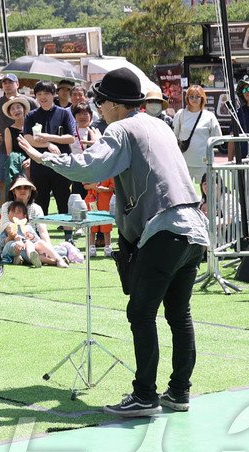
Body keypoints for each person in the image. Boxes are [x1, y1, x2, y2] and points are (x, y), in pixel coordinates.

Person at [17, 66, 209, 417]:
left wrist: (44, 157)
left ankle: (145, 395)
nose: (99, 109)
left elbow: (90, 167)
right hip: (195, 228)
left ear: (114, 104)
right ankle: (179, 391)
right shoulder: (160, 124)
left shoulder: (121, 128)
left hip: (164, 228)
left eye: (101, 102)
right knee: (179, 314)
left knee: (141, 311)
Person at [23, 81, 81, 214]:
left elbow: (71, 138)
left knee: (63, 198)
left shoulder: (64, 113)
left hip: (61, 163)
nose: (43, 97)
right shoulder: (31, 115)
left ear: (53, 95)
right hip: (39, 163)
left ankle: (68, 232)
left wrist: (49, 137)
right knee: (40, 200)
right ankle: (39, 232)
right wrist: (48, 145)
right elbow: (28, 139)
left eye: (47, 93)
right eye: (39, 94)